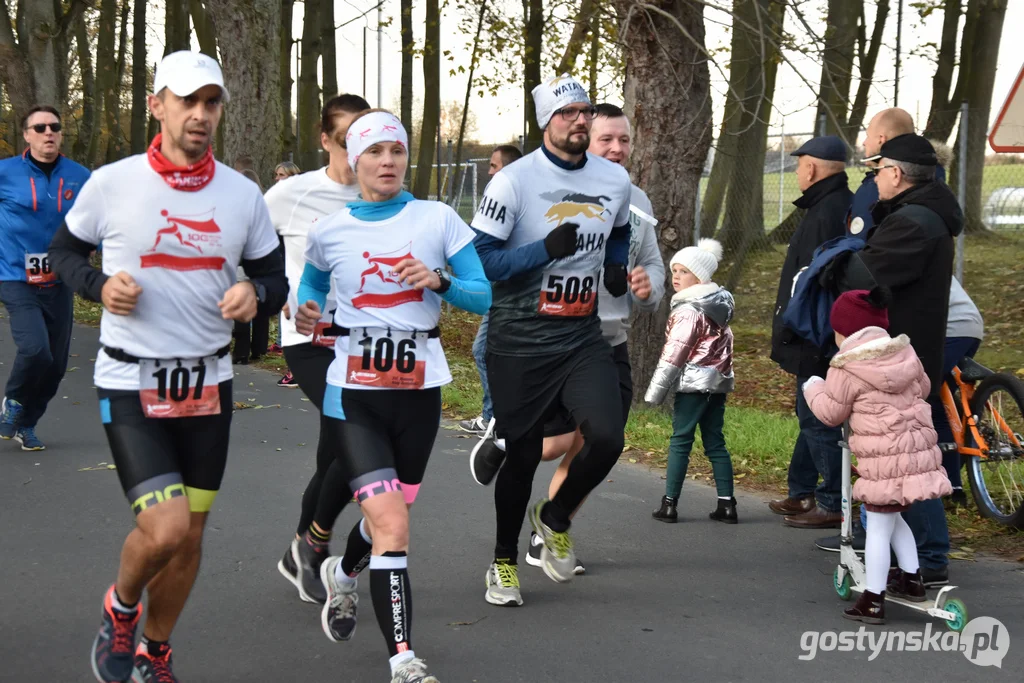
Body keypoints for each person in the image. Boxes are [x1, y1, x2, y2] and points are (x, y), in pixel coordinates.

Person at [48, 51, 287, 683]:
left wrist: (256, 296)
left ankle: (156, 649)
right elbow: (64, 251)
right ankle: (121, 606)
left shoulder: (241, 195)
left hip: (208, 382)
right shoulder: (113, 182)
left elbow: (273, 275)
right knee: (166, 525)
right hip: (131, 376)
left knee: (190, 536)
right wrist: (97, 286)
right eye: (188, 101)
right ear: (158, 105)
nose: (202, 115)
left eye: (212, 103)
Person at [292, 109, 489, 683]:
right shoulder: (330, 231)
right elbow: (312, 286)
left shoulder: (438, 219)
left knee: (389, 519)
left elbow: (486, 296)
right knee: (393, 526)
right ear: (354, 161)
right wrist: (307, 309)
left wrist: (440, 281)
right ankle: (403, 659)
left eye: (396, 152)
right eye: (375, 152)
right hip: (353, 393)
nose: (387, 162)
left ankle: (344, 576)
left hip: (419, 392)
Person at [467, 73, 634, 606]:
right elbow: (482, 262)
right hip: (518, 338)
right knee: (521, 456)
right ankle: (503, 563)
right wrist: (543, 250)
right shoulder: (513, 181)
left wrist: (611, 265)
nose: (580, 120)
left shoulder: (613, 180)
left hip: (580, 335)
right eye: (568, 113)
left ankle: (555, 516)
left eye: (585, 111)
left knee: (607, 436)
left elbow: (622, 228)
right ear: (546, 122)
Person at [523, 103, 665, 572]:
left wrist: (648, 288)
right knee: (550, 446)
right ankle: (502, 434)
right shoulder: (551, 189)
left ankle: (553, 530)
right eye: (607, 139)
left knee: (597, 444)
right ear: (585, 139)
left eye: (624, 140)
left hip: (609, 341)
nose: (617, 149)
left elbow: (653, 267)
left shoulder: (636, 199)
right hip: (555, 340)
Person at [823, 132, 961, 588]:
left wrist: (832, 265)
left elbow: (867, 275)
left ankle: (927, 555)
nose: (875, 179)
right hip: (902, 353)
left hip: (899, 356)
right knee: (904, 458)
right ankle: (907, 553)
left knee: (906, 460)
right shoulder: (915, 215)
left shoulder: (914, 222)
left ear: (896, 174)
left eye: (878, 170)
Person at [267, 93, 373, 603]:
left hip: (369, 341)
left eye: (367, 134)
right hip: (310, 340)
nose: (360, 147)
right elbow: (250, 251)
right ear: (325, 139)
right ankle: (312, 544)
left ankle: (301, 549)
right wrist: (280, 294)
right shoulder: (291, 195)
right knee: (353, 437)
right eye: (348, 135)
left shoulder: (386, 195)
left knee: (337, 449)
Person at [803, 288, 952, 624]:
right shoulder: (907, 354)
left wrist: (812, 387)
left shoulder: (846, 368)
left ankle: (873, 598)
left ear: (845, 331)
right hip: (916, 456)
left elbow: (830, 412)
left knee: (879, 528)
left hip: (884, 464)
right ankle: (912, 580)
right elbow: (924, 388)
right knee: (895, 517)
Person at [768, 136, 852, 529]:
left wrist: (800, 328)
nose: (799, 170)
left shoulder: (826, 212)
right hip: (812, 330)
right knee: (809, 410)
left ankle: (832, 499)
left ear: (812, 169)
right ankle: (803, 491)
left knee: (816, 417)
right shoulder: (826, 206)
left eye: (801, 163)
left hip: (815, 333)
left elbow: (815, 281)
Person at [0, 105, 90, 450]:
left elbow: (95, 220)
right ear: (26, 135)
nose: (48, 132)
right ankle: (14, 401)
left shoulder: (80, 176)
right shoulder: (6, 172)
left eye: (54, 127)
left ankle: (28, 423)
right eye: (39, 128)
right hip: (14, 275)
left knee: (56, 365)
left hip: (59, 277)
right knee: (35, 349)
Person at [645, 239, 736, 523]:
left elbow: (674, 355)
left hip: (693, 386)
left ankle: (669, 503)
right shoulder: (717, 307)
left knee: (680, 440)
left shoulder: (688, 310)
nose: (676, 276)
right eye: (674, 270)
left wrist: (654, 394)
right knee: (715, 441)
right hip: (717, 384)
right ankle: (727, 504)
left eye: (684, 271)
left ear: (700, 276)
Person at [458, 143, 524, 435]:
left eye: (495, 166)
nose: (489, 171)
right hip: (500, 292)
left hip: (511, 294)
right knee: (490, 352)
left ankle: (496, 418)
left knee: (484, 350)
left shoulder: (513, 202)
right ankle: (499, 416)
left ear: (508, 170)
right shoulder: (498, 201)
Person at [937, 278, 984, 507]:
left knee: (930, 398)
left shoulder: (893, 252)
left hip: (949, 328)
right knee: (944, 391)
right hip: (969, 326)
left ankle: (952, 487)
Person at [233, 169, 270, 364]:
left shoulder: (236, 208)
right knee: (260, 305)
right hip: (263, 262)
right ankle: (259, 348)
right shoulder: (267, 206)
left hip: (243, 262)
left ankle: (241, 352)